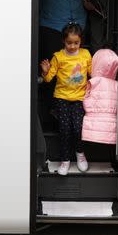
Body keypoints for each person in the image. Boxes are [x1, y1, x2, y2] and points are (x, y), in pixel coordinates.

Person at [38, 0, 88, 130]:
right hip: (52, 25)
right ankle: (50, 117)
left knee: (77, 74)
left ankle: (75, 118)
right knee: (51, 76)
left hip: (78, 25)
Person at [40, 23, 92, 176]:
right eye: (69, 43)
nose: (73, 46)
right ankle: (65, 160)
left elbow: (92, 74)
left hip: (79, 97)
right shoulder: (58, 56)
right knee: (64, 129)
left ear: (80, 41)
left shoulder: (86, 55)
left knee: (78, 128)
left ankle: (80, 154)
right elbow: (49, 79)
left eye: (76, 43)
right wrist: (45, 72)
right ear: (64, 41)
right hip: (62, 98)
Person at [82, 49, 118, 144]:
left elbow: (84, 97)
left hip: (93, 125)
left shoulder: (94, 82)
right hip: (113, 125)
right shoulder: (117, 84)